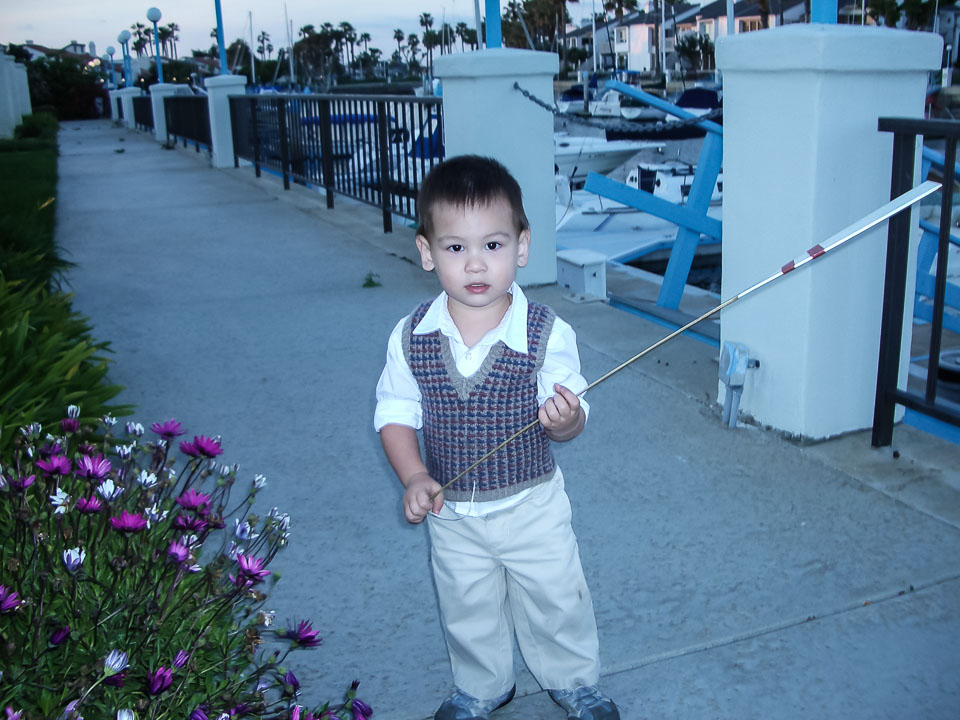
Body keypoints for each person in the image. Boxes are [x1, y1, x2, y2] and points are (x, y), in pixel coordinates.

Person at [374, 155, 619, 720]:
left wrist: (565, 420)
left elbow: (574, 411)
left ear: (522, 246)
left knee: (556, 595)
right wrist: (414, 475)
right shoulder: (411, 337)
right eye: (455, 247)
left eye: (493, 244)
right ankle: (482, 686)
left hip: (533, 505)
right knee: (467, 604)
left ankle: (573, 679)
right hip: (452, 513)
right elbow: (395, 412)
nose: (476, 263)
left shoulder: (545, 332)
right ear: (427, 252)